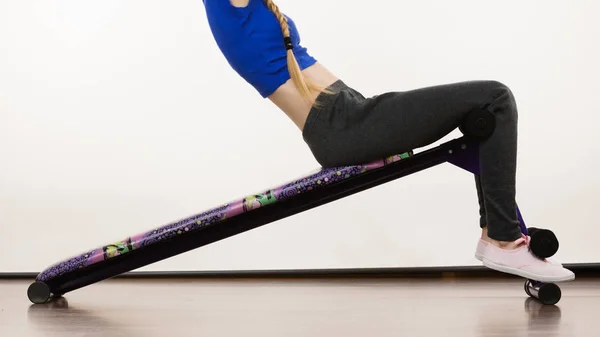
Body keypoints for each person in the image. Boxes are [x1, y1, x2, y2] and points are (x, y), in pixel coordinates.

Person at [201, 0, 575, 282]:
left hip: (354, 115)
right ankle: (504, 239)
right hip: (342, 127)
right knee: (495, 98)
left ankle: (495, 233)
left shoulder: (253, 11)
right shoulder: (228, 8)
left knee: (483, 113)